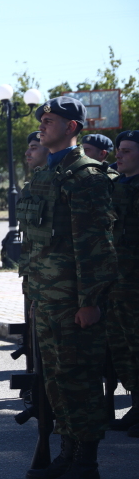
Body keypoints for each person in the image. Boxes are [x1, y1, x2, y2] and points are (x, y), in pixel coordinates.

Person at [17, 97, 117, 479]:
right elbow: (34, 243)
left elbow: (95, 247)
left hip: (75, 302)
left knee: (80, 381)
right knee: (56, 381)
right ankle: (68, 451)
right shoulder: (44, 174)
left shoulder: (86, 176)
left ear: (72, 127)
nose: (42, 125)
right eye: (41, 119)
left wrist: (90, 301)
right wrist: (31, 292)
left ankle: (87, 463)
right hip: (46, 298)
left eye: (50, 120)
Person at [108, 130, 139, 436]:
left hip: (135, 283)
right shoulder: (115, 186)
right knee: (123, 348)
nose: (119, 154)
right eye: (119, 149)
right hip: (116, 283)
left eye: (127, 151)